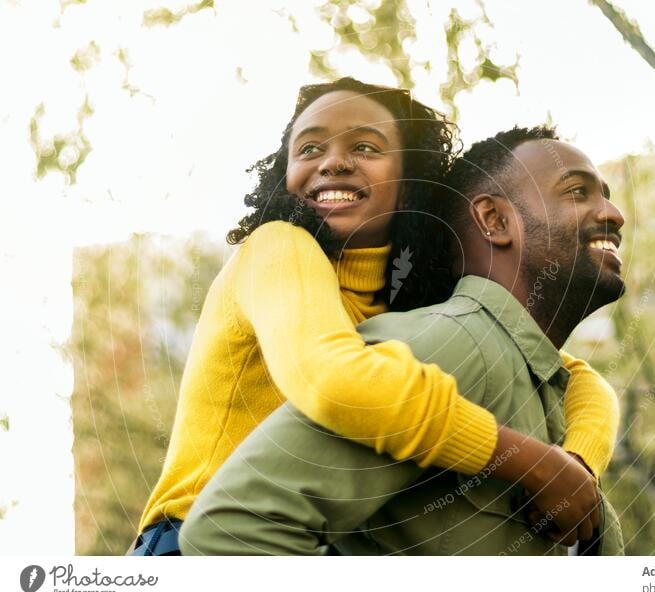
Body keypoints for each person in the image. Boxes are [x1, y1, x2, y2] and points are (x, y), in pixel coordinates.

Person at [132, 78, 619, 555]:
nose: (334, 161)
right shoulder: (276, 248)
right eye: (309, 149)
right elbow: (333, 378)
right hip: (194, 539)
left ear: (409, 186)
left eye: (365, 146)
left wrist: (577, 465)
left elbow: (577, 378)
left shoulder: (408, 298)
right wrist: (528, 461)